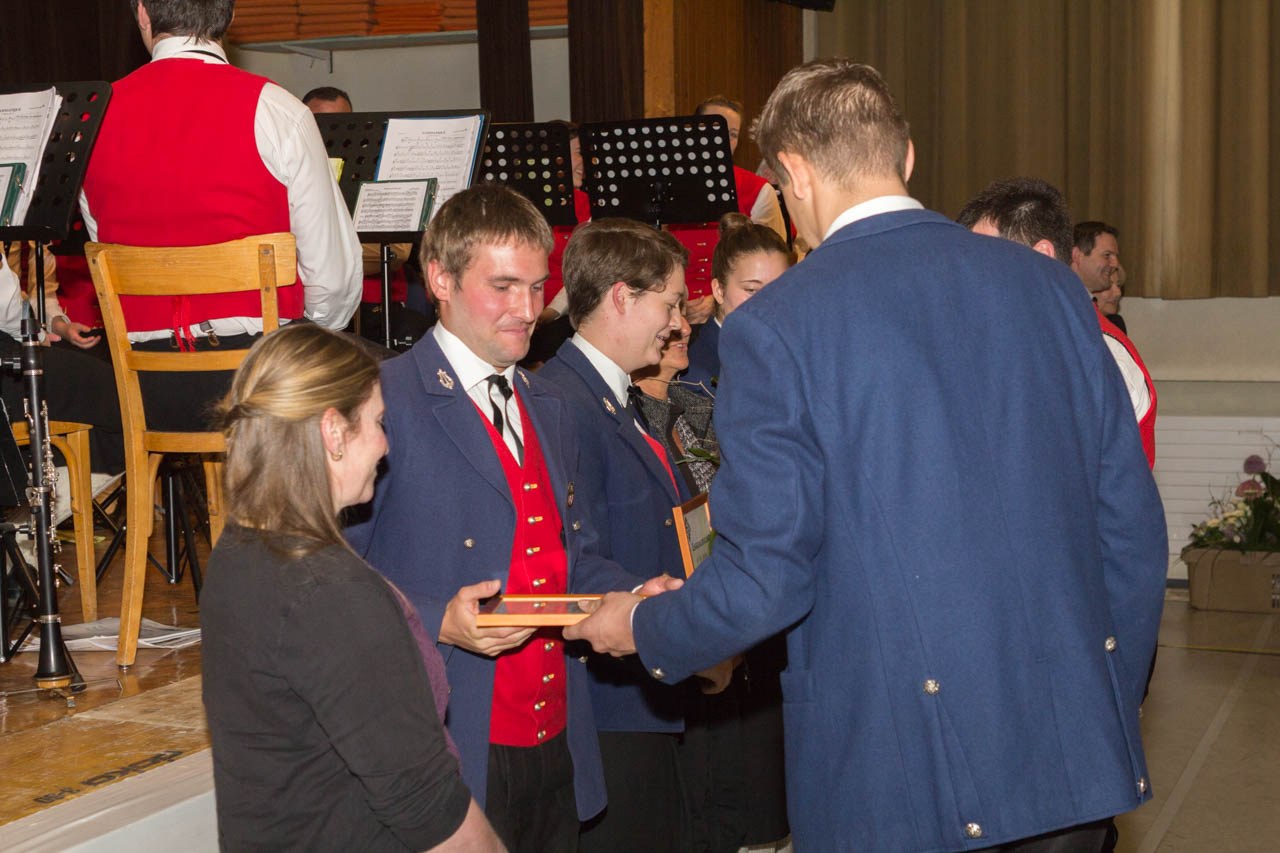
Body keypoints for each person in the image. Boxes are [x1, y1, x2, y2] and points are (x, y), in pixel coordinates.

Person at [567, 59, 1168, 853]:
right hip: (1069, 755)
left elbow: (768, 576)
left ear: (793, 174)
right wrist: (1107, 697)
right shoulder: (1051, 288)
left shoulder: (778, 325)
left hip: (900, 775)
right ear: (906, 156)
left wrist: (644, 625)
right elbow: (1130, 530)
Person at [345, 184, 676, 853]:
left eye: (536, 286)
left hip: (558, 737)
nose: (527, 310)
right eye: (502, 287)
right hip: (451, 740)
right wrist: (437, 618)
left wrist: (637, 594)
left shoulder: (550, 404)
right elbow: (330, 576)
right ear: (440, 280)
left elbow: (571, 558)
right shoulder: (385, 399)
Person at [200, 324, 503, 851]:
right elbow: (429, 809)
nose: (386, 445)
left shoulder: (239, 549)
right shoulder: (329, 592)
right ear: (334, 432)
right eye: (379, 422)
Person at [80, 0, 362, 431]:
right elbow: (333, 277)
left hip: (145, 383)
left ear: (143, 14)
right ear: (229, 17)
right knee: (384, 378)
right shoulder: (277, 109)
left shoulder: (91, 118)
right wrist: (317, 330)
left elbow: (105, 249)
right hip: (261, 383)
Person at [537, 218, 695, 852]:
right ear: (623, 297)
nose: (678, 324)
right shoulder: (564, 401)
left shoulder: (607, 394)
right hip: (608, 702)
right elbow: (573, 557)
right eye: (670, 304)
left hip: (640, 686)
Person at [958, 177, 1156, 467]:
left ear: (1042, 257)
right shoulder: (985, 343)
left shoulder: (1103, 357)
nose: (971, 278)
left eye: (984, 261)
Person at [302, 86, 431, 349]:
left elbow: (397, 251)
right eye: (320, 124)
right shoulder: (294, 172)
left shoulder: (374, 169)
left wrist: (315, 252)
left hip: (377, 304)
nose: (331, 134)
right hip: (312, 307)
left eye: (341, 125)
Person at [669, 96, 787, 325]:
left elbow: (773, 270)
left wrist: (718, 300)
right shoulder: (665, 187)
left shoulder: (758, 190)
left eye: (732, 134)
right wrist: (674, 303)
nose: (722, 139)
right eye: (713, 128)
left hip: (730, 315)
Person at [682, 212, 791, 397]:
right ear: (718, 290)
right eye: (751, 290)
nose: (768, 301)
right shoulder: (698, 377)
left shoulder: (795, 351)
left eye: (778, 288)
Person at [1072, 221, 1127, 332]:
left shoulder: (1085, 306)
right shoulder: (1057, 303)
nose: (1115, 263)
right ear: (1077, 256)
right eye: (1107, 255)